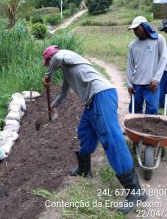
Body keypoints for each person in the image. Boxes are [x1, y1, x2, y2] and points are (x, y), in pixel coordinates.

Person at [42, 45, 147, 214]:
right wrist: (53, 106)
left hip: (102, 94)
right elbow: (63, 93)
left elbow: (58, 57)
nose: (50, 65)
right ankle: (85, 169)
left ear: (50, 58)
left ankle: (136, 192)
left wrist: (48, 75)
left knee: (111, 140)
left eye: (48, 63)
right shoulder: (67, 71)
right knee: (84, 131)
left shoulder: (66, 55)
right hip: (92, 102)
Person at [127, 16, 167, 114]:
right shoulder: (133, 45)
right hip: (136, 84)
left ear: (145, 26)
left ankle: (149, 130)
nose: (135, 32)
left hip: (152, 84)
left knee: (152, 110)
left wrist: (156, 79)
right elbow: (130, 65)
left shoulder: (158, 39)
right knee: (134, 111)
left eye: (137, 28)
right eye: (133, 30)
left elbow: (163, 59)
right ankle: (133, 129)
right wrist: (129, 83)